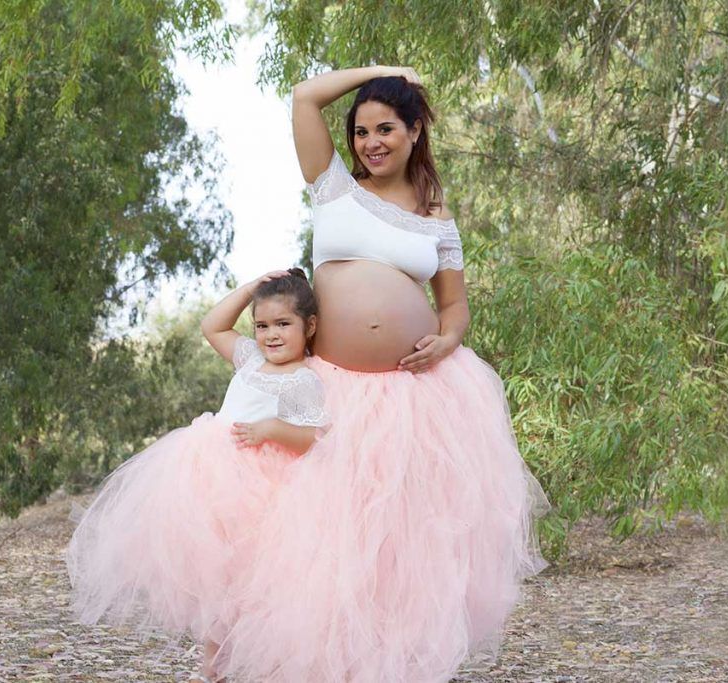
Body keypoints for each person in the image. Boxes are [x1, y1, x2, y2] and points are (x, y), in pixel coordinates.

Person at [213, 67, 552, 683]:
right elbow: (304, 96)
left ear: (415, 131)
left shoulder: (436, 213)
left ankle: (382, 667)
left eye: (386, 129)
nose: (372, 142)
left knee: (396, 544)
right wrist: (383, 74)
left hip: (411, 396)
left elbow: (455, 306)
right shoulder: (333, 187)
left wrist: (447, 339)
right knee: (312, 537)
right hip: (333, 387)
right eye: (362, 131)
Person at [65, 269, 329, 683]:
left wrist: (272, 429)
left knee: (252, 581)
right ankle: (213, 668)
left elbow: (313, 437)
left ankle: (266, 664)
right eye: (261, 326)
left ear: (309, 326)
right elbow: (212, 326)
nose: (271, 335)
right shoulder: (250, 359)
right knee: (216, 578)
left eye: (283, 324)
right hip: (212, 479)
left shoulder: (303, 380)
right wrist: (251, 289)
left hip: (262, 489)